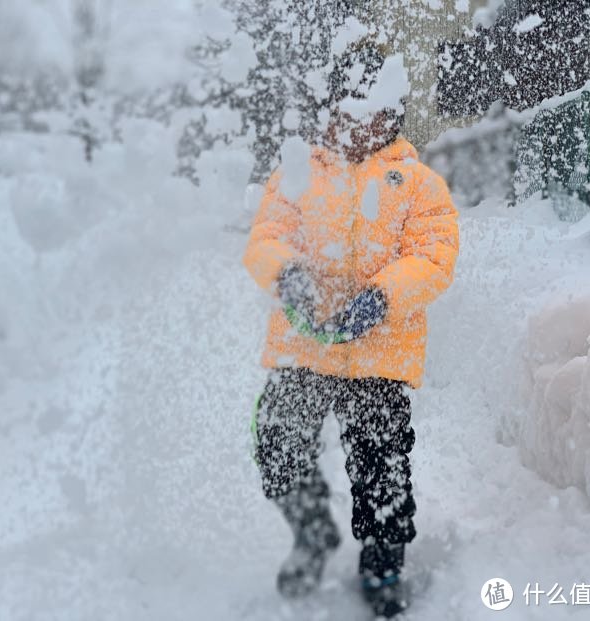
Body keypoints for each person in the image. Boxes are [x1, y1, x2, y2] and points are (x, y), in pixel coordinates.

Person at [242, 38, 459, 618]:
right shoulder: (297, 172)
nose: (361, 126)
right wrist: (288, 275)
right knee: (278, 446)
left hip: (379, 351)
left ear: (393, 115)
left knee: (381, 463)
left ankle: (383, 562)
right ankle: (312, 531)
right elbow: (266, 238)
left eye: (376, 114)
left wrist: (380, 298)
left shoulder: (417, 184)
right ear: (330, 109)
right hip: (303, 345)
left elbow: (433, 258)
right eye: (350, 111)